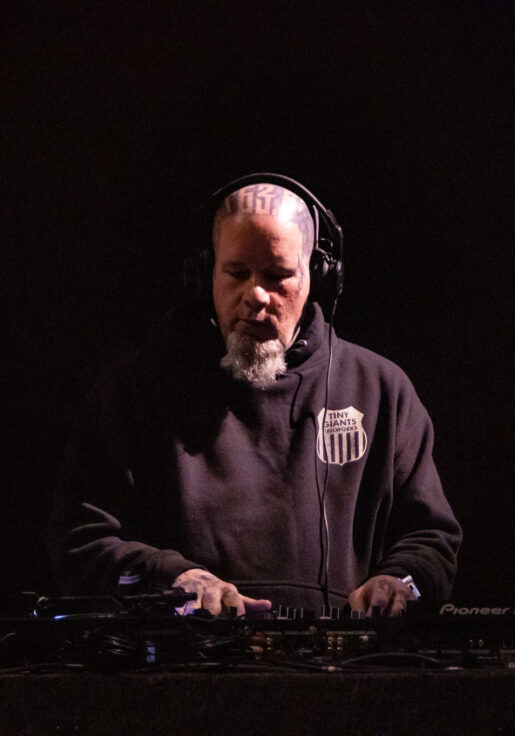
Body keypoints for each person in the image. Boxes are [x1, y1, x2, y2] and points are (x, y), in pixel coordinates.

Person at [49, 173, 461, 617]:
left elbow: (429, 540)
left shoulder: (381, 391)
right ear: (206, 273)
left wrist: (398, 581)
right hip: (185, 659)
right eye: (236, 273)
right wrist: (172, 580)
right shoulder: (134, 391)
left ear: (316, 277)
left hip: (346, 662)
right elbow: (82, 539)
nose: (256, 295)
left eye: (278, 275)